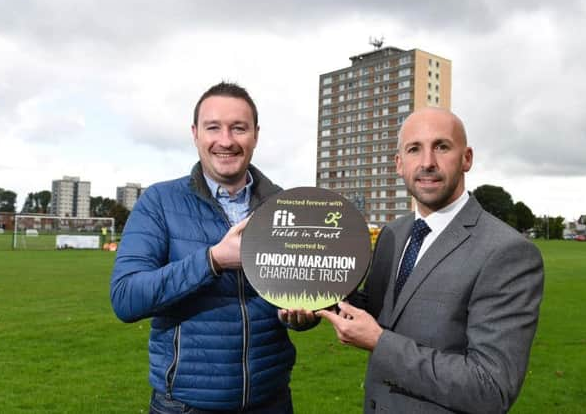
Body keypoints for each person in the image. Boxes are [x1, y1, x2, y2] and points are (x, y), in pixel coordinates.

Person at [318, 107, 544, 414]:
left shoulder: (507, 252)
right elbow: (377, 311)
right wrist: (318, 298)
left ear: (466, 158)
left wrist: (379, 343)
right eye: (414, 149)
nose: (427, 162)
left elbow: (491, 387)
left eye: (442, 146)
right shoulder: (392, 235)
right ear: (399, 164)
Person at [111, 82, 315, 414]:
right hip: (184, 406)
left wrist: (301, 317)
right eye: (213, 127)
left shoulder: (286, 206)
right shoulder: (159, 202)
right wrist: (214, 260)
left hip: (271, 401)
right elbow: (126, 298)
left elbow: (296, 293)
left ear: (255, 135)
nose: (226, 140)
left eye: (239, 128)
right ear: (195, 134)